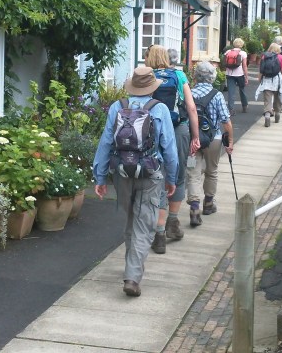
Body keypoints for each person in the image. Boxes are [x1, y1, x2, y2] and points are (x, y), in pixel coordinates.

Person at [92, 66, 178, 297]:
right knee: (144, 224)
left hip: (122, 172)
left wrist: (100, 176)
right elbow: (169, 147)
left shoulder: (117, 107)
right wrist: (172, 178)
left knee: (131, 221)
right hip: (151, 173)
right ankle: (132, 277)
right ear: (152, 87)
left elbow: (106, 143)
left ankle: (132, 267)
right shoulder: (159, 109)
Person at [144, 45, 199, 255]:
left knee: (158, 176)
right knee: (178, 176)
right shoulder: (178, 75)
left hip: (153, 131)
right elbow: (191, 107)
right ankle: (173, 224)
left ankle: (158, 235)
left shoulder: (147, 76)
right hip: (178, 129)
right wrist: (195, 136)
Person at [186, 61, 233, 226]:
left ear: (196, 76)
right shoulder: (217, 94)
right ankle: (208, 203)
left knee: (193, 172)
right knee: (212, 171)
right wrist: (230, 142)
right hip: (213, 139)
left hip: (193, 138)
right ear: (212, 76)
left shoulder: (189, 93)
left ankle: (194, 207)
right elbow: (226, 121)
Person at [255, 43, 282, 127]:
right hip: (277, 80)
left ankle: (267, 114)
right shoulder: (280, 57)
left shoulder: (264, 57)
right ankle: (277, 113)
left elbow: (261, 70)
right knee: (277, 97)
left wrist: (259, 79)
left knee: (267, 99)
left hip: (266, 80)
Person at [223, 38, 249, 113]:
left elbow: (225, 63)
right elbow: (244, 66)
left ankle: (230, 109)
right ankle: (244, 106)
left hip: (229, 74)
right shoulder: (243, 53)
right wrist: (246, 77)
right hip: (240, 74)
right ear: (241, 44)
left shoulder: (228, 52)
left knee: (231, 92)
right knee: (242, 90)